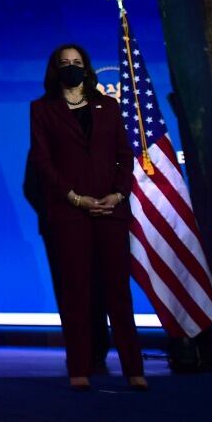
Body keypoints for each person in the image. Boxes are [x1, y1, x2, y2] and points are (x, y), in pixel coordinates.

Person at [29, 44, 147, 391]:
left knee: (118, 292)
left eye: (76, 63)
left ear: (87, 67)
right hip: (70, 213)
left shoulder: (107, 106)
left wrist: (118, 194)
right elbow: (43, 161)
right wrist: (75, 198)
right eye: (64, 63)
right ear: (54, 69)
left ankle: (133, 369)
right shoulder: (42, 109)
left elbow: (125, 156)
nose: (71, 68)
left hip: (111, 211)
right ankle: (79, 367)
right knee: (75, 291)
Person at [23, 152, 111, 370]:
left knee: (97, 289)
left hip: (95, 225)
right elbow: (31, 187)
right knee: (68, 292)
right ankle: (79, 351)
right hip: (58, 230)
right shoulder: (42, 147)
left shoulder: (95, 142)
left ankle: (98, 350)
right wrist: (57, 213)